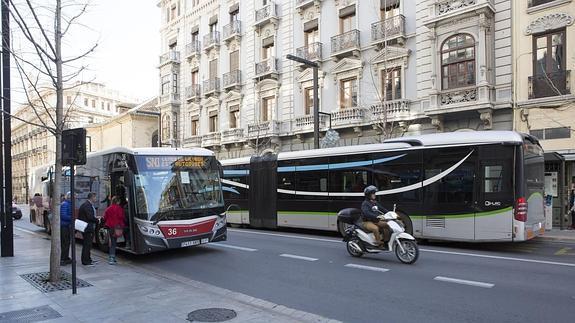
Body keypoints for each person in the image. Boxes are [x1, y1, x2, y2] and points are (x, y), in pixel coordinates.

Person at [103, 196, 126, 264]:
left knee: (112, 242)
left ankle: (112, 258)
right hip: (117, 227)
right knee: (113, 243)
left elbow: (105, 217)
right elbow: (122, 217)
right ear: (117, 201)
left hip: (110, 227)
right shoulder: (119, 208)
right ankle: (112, 258)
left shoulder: (108, 208)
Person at [78, 192, 99, 266]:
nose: (96, 199)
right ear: (92, 197)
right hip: (87, 228)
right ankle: (85, 261)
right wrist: (98, 220)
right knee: (87, 244)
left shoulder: (87, 205)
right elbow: (90, 217)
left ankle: (88, 259)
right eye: (95, 197)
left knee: (88, 244)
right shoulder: (87, 205)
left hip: (87, 227)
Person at [60, 192, 73, 266]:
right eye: (74, 196)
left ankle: (66, 257)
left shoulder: (67, 203)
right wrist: (72, 218)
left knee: (67, 242)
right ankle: (63, 259)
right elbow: (63, 215)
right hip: (64, 226)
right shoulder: (65, 204)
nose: (75, 198)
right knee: (65, 243)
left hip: (66, 226)